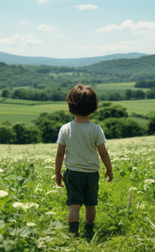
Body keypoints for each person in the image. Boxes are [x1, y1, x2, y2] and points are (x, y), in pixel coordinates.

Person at [55, 84, 113, 239]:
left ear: (70, 105)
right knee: (90, 205)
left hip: (73, 174)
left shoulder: (65, 128)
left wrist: (57, 173)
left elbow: (60, 153)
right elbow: (103, 152)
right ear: (94, 107)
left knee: (74, 205)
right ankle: (89, 231)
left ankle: (73, 234)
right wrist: (109, 168)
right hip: (92, 173)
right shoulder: (96, 129)